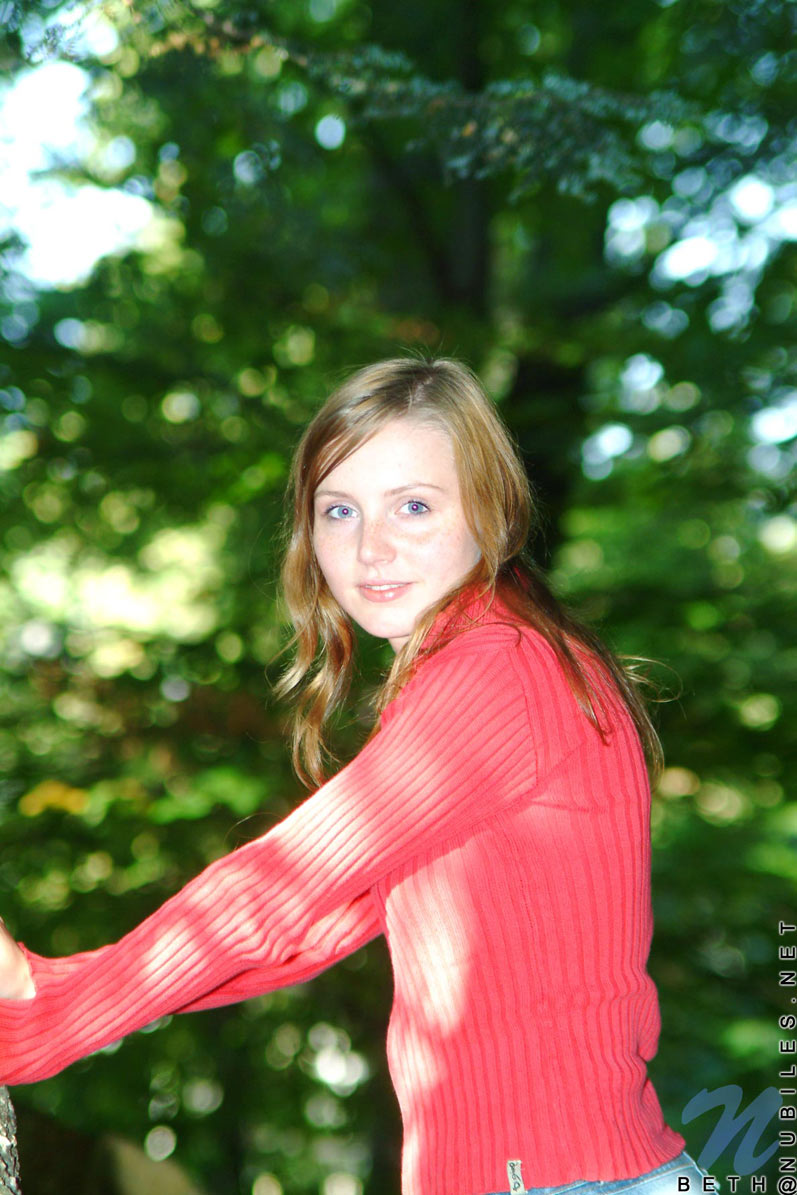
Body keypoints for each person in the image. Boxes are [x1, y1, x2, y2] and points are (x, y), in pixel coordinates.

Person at [0, 358, 710, 1195]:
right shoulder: (499, 657)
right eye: (339, 510)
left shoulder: (500, 671)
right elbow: (308, 929)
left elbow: (278, 888)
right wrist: (52, 985)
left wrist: (43, 1025)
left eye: (413, 505)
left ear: (491, 509)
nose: (371, 547)